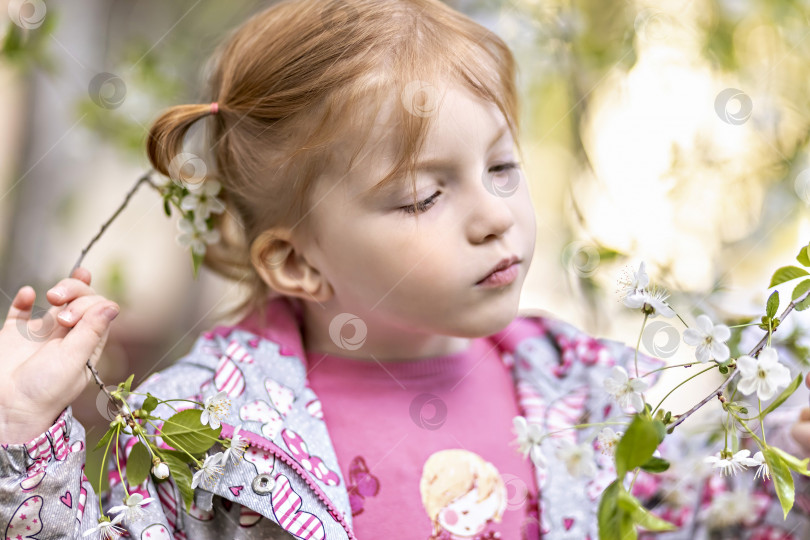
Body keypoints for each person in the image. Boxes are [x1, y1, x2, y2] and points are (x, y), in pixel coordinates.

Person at [2, 0, 810, 538]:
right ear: (297, 260)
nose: (495, 215)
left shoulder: (582, 387)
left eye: (501, 168)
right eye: (425, 196)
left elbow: (706, 510)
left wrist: (796, 466)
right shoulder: (205, 433)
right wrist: (22, 432)